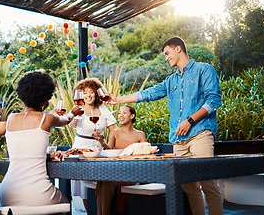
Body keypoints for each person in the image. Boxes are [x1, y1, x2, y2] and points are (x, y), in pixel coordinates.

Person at [108, 36, 223, 215]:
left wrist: (190, 120)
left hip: (200, 133)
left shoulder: (204, 69)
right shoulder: (171, 81)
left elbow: (214, 100)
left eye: (167, 53)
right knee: (190, 188)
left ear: (178, 49)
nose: (166, 57)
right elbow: (149, 93)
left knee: (208, 182)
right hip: (178, 140)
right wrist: (118, 100)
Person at [0, 71, 82, 207]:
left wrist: (47, 156)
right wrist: (73, 112)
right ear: (44, 100)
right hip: (36, 193)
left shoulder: (11, 118)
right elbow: (66, 119)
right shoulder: (47, 118)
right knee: (66, 203)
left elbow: (26, 150)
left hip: (7, 193)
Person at [69, 77, 118, 212]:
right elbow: (71, 124)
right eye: (84, 92)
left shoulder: (102, 108)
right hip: (82, 149)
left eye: (91, 92)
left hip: (100, 149)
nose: (88, 95)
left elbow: (114, 128)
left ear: (96, 93)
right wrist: (74, 115)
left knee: (101, 183)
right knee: (84, 187)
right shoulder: (78, 109)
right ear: (80, 95)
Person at [94, 105, 146, 215]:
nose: (120, 116)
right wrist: (102, 142)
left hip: (132, 172)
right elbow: (109, 150)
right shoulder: (114, 133)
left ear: (132, 116)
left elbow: (144, 154)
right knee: (105, 179)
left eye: (124, 113)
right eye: (119, 113)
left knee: (107, 179)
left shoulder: (140, 135)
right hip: (115, 171)